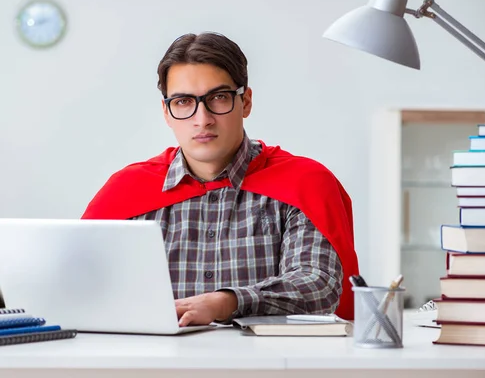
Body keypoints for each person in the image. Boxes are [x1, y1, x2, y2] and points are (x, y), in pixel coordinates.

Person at [82, 32, 359, 326]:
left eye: (218, 97)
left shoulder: (305, 184)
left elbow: (318, 285)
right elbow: (79, 284)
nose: (202, 119)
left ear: (246, 101)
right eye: (183, 102)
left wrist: (227, 302)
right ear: (166, 112)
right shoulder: (125, 192)